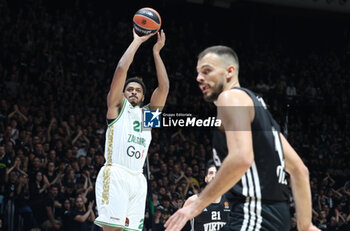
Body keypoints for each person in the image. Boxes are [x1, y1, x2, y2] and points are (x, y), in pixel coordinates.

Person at [165, 45, 320, 231]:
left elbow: (241, 158)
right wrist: (306, 225)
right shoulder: (260, 112)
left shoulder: (229, 98)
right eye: (198, 73)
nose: (199, 78)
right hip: (276, 219)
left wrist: (196, 206)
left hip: (251, 214)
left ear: (229, 71)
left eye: (207, 71)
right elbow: (299, 170)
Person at [94, 28, 169, 231]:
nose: (134, 91)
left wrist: (156, 53)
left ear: (143, 97)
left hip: (137, 179)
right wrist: (137, 41)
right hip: (116, 173)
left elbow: (164, 88)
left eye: (138, 90)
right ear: (123, 93)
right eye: (130, 89)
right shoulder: (117, 107)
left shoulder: (148, 118)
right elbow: (121, 69)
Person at [184, 163, 230, 231]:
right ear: (206, 178)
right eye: (211, 173)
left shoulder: (230, 201)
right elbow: (177, 225)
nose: (214, 176)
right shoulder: (193, 200)